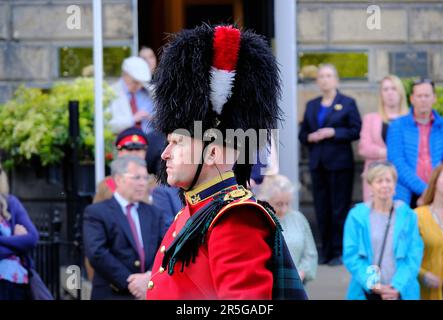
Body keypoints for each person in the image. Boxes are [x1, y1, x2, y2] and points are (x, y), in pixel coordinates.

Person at [145, 24, 307, 300]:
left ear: (213, 154)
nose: (165, 153)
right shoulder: (196, 208)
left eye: (178, 143)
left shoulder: (234, 219)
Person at [299, 64, 362, 266]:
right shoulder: (312, 105)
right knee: (322, 208)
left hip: (340, 164)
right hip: (318, 164)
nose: (325, 80)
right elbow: (302, 134)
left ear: (336, 80)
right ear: (317, 81)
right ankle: (325, 252)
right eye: (321, 76)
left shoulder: (347, 103)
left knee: (339, 209)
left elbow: (355, 130)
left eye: (328, 76)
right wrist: (310, 136)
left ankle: (338, 251)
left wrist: (333, 132)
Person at [83, 156, 167, 300]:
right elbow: (97, 252)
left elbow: (164, 248)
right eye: (137, 178)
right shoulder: (97, 212)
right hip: (112, 293)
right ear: (118, 179)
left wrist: (148, 277)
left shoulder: (154, 213)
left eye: (145, 178)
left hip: (148, 291)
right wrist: (132, 283)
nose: (143, 183)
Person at [343, 161, 423, 300]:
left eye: (388, 180)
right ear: (371, 186)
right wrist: (374, 284)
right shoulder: (356, 216)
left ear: (394, 185)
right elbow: (351, 256)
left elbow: (414, 255)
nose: (385, 185)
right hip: (367, 291)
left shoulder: (408, 216)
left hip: (401, 291)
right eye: (379, 181)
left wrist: (396, 286)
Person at [387, 78, 443, 208]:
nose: (423, 99)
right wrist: (424, 190)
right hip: (404, 192)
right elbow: (396, 162)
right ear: (412, 99)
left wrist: (435, 189)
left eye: (427, 95)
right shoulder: (397, 126)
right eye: (419, 96)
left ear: (434, 98)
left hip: (439, 192)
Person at [256, 174, 318, 285]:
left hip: (296, 286)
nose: (284, 209)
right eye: (279, 204)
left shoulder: (298, 219)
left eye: (288, 203)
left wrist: (301, 273)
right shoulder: (257, 222)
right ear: (265, 200)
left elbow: (310, 254)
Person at [358, 75, 409, 202]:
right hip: (375, 177)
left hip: (403, 178)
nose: (389, 93)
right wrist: (393, 153)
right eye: (385, 89)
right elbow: (364, 148)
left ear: (401, 92)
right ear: (380, 94)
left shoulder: (410, 120)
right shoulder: (370, 118)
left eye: (393, 88)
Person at [0, 164, 39, 300]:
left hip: (17, 283)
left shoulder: (11, 203)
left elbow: (32, 238)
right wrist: (16, 243)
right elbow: (24, 243)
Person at [415, 161, 443, 300]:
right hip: (429, 290)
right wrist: (423, 275)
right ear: (435, 182)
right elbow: (403, 258)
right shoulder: (417, 216)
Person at [93, 127, 153, 204]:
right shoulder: (108, 183)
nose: (134, 153)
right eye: (129, 149)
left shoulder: (156, 183)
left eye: (138, 149)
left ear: (145, 151)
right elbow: (97, 212)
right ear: (119, 152)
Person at [107, 56, 154, 134]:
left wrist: (153, 118)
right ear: (125, 75)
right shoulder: (110, 93)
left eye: (141, 83)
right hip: (123, 141)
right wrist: (133, 119)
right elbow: (108, 126)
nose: (138, 86)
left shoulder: (149, 92)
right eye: (135, 82)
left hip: (150, 140)